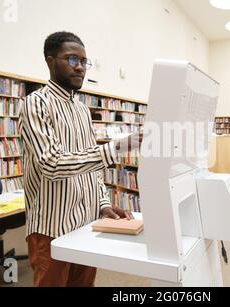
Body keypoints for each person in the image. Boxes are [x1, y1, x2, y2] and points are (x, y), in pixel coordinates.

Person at [19, 31, 139, 287]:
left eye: (84, 62)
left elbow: (91, 167)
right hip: (50, 228)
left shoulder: (83, 110)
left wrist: (103, 203)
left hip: (86, 225)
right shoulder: (35, 104)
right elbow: (51, 164)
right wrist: (113, 149)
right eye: (72, 59)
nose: (80, 67)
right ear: (50, 61)